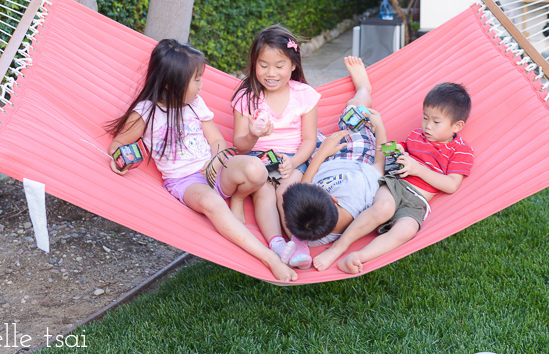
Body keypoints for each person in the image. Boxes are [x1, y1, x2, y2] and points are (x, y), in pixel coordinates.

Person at [107, 39, 297, 282]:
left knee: (257, 168)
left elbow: (217, 139)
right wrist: (120, 160)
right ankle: (269, 258)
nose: (201, 85)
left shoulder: (195, 104)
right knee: (212, 202)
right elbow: (117, 145)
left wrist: (215, 161)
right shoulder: (146, 113)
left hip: (215, 169)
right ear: (171, 83)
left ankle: (237, 198)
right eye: (196, 79)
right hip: (185, 181)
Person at [312, 82, 473, 274]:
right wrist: (395, 149)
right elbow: (401, 150)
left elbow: (451, 184)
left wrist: (418, 169)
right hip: (395, 185)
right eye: (425, 118)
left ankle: (358, 256)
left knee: (407, 230)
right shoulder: (417, 136)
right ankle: (339, 247)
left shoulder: (461, 151)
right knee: (384, 209)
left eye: (436, 122)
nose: (427, 126)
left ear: (457, 126)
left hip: (417, 202)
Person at [231, 25, 320, 269]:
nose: (271, 73)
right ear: (253, 63)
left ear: (293, 65)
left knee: (287, 191)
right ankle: (277, 244)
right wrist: (252, 134)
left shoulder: (304, 95)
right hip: (257, 160)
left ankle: (299, 242)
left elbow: (310, 139)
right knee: (264, 192)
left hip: (293, 158)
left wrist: (293, 162)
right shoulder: (246, 97)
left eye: (279, 66)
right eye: (263, 65)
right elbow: (239, 146)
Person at [282, 56, 387, 252]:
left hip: (322, 161)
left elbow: (306, 184)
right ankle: (364, 88)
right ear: (334, 199)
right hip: (355, 158)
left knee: (293, 134)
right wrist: (379, 126)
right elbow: (380, 163)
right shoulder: (358, 191)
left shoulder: (306, 229)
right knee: (353, 111)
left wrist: (323, 153)